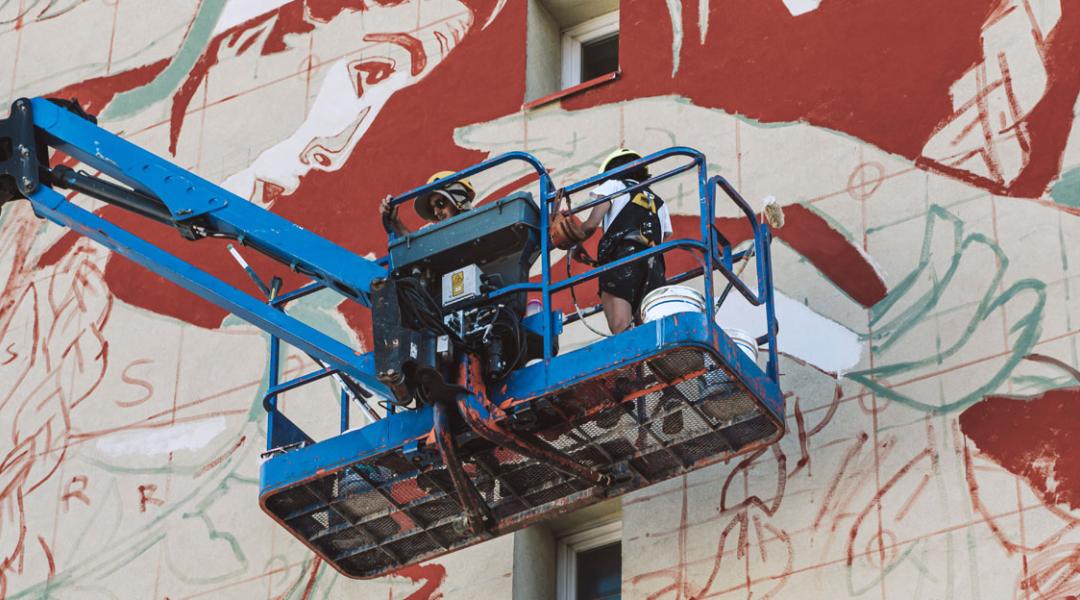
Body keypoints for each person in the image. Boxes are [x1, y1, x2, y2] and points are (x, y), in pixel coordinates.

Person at [577, 148, 673, 334]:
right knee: (649, 329)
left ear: (611, 171)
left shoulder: (612, 184)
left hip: (623, 259)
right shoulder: (659, 202)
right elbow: (665, 235)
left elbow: (591, 224)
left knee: (621, 328)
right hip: (654, 266)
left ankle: (630, 362)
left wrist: (573, 241)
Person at [380, 170, 476, 236]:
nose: (436, 213)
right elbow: (417, 250)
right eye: (432, 209)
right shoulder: (436, 235)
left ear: (458, 198)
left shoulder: (484, 221)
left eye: (440, 203)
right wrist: (395, 222)